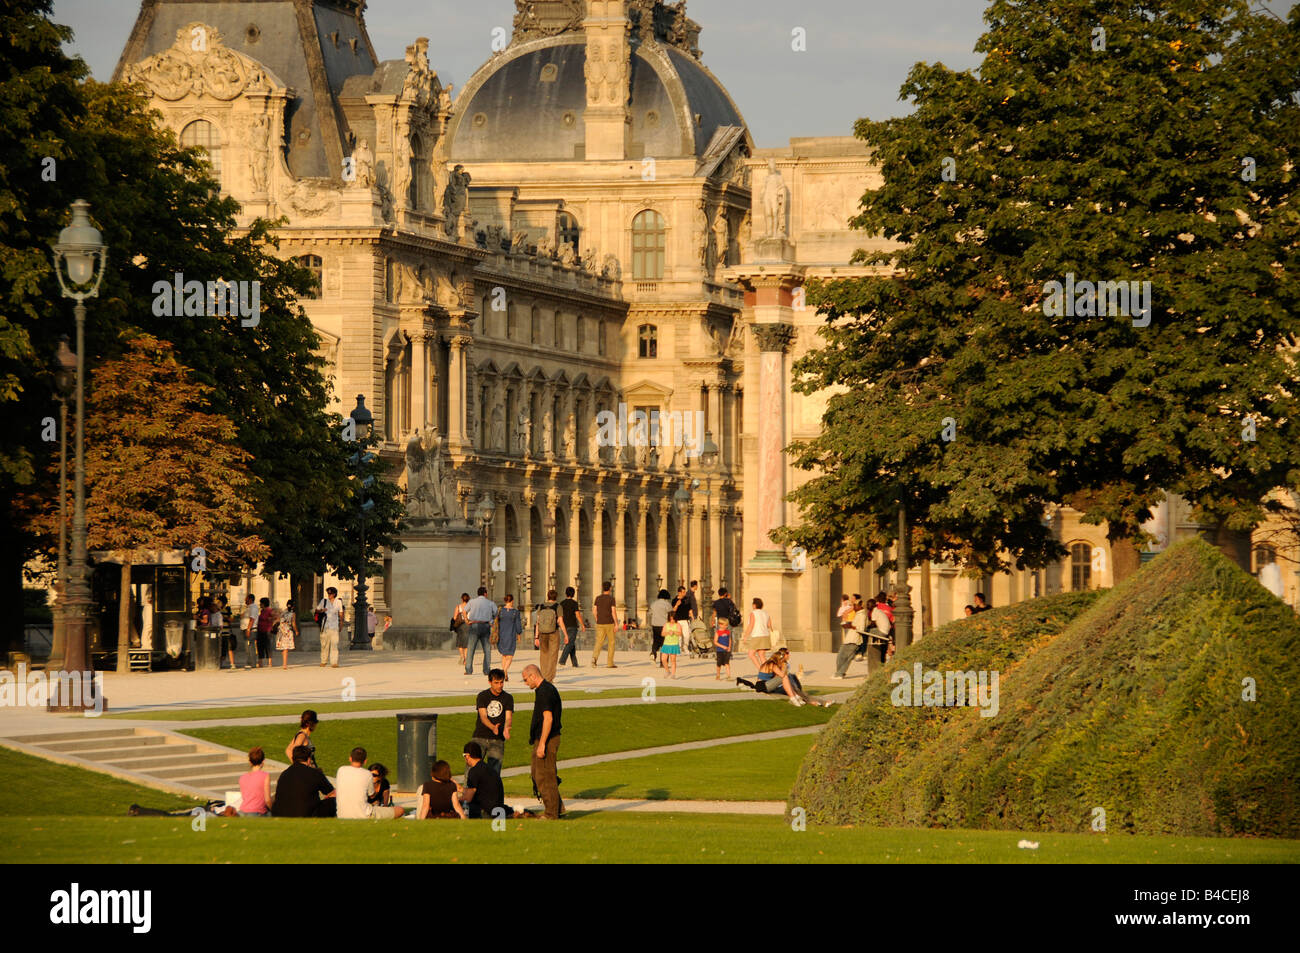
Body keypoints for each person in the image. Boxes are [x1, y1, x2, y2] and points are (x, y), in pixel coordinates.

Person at [521, 664, 563, 819]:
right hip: (542, 738)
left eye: (526, 680)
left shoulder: (545, 691)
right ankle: (557, 807)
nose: (526, 683)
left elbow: (548, 719)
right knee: (538, 773)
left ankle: (551, 813)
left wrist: (543, 744)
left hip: (548, 738)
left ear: (533, 676)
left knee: (545, 776)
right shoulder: (544, 689)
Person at [738, 648, 833, 708]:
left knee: (794, 686)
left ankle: (810, 700)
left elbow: (777, 678)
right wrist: (784, 667)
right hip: (763, 686)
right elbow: (782, 676)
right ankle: (794, 698)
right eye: (787, 654)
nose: (788, 656)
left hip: (769, 685)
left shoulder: (773, 664)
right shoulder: (772, 664)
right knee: (787, 678)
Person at [337, 746, 403, 819]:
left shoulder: (341, 770)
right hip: (364, 814)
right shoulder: (367, 774)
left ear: (350, 758)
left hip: (341, 814)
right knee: (400, 810)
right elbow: (372, 795)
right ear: (365, 761)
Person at [271, 745, 336, 817]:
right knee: (333, 801)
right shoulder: (314, 773)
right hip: (306, 814)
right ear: (308, 760)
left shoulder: (284, 774)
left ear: (293, 759)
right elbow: (331, 791)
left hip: (281, 814)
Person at [473, 668, 513, 775]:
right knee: (472, 771)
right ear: (490, 682)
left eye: (501, 682)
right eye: (496, 683)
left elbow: (508, 718)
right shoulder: (483, 696)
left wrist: (507, 728)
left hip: (497, 740)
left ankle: (491, 792)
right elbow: (483, 717)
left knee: (494, 774)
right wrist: (493, 727)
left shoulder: (508, 698)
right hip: (480, 737)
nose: (499, 685)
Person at [461, 741, 508, 819]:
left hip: (486, 812)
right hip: (498, 809)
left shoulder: (474, 771)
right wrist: (459, 788)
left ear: (468, 756)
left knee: (459, 804)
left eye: (464, 755)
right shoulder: (488, 769)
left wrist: (454, 800)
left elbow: (468, 798)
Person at [465, 586, 497, 676]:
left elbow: (464, 611)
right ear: (485, 593)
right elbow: (496, 612)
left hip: (474, 625)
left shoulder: (472, 602)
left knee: (471, 649)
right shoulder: (490, 603)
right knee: (487, 649)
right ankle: (486, 670)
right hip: (485, 625)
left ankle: (468, 669)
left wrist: (467, 620)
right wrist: (491, 620)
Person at [532, 590, 564, 681]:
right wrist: (566, 634)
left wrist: (536, 637)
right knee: (553, 656)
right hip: (554, 632)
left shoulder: (541, 606)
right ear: (556, 597)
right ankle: (549, 678)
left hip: (542, 633)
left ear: (548, 596)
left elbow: (538, 622)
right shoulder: (558, 606)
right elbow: (560, 621)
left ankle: (544, 676)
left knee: (544, 655)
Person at [833, 597, 867, 678]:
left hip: (854, 640)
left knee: (843, 657)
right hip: (850, 638)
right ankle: (840, 673)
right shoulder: (858, 614)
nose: (853, 607)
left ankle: (839, 674)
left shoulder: (862, 615)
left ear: (860, 606)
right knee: (843, 657)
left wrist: (851, 626)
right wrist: (849, 625)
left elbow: (861, 629)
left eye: (855, 605)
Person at [591, 580, 619, 668]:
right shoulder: (611, 599)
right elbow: (613, 611)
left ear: (602, 588)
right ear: (610, 588)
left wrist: (597, 619)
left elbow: (594, 610)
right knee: (611, 642)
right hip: (609, 623)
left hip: (600, 623)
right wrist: (616, 623)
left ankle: (594, 658)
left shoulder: (598, 598)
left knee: (599, 642)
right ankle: (610, 663)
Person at [238, 747, 272, 816]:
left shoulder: (242, 777)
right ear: (263, 761)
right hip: (257, 812)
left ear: (250, 762)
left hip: (242, 811)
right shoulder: (265, 776)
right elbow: (267, 800)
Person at [711, 586, 737, 680]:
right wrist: (729, 598)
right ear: (726, 593)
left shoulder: (716, 603)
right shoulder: (729, 601)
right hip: (728, 621)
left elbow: (714, 613)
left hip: (720, 621)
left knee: (719, 636)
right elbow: (734, 609)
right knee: (729, 637)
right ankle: (729, 652)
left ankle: (720, 652)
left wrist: (712, 621)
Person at [495, 594, 523, 677]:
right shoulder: (515, 612)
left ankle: (504, 671)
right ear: (512, 601)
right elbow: (518, 625)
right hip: (510, 635)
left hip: (501, 635)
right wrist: (519, 633)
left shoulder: (500, 611)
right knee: (510, 655)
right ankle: (504, 670)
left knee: (504, 655)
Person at [558, 586, 585, 668]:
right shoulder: (574, 603)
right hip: (572, 625)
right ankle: (562, 661)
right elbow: (577, 615)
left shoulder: (562, 603)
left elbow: (560, 616)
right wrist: (582, 624)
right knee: (569, 644)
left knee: (571, 644)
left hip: (564, 626)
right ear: (573, 594)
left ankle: (575, 663)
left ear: (566, 593)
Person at [317, 586, 344, 668]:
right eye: (328, 593)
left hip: (334, 625)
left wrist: (341, 624)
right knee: (324, 644)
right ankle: (323, 661)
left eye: (331, 593)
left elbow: (341, 613)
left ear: (334, 594)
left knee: (334, 644)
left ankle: (334, 662)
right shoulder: (324, 601)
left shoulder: (338, 602)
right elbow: (317, 610)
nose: (329, 595)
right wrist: (322, 610)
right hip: (325, 626)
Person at [744, 596, 773, 670]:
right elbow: (769, 625)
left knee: (751, 654)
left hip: (757, 635)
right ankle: (767, 670)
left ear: (754, 605)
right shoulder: (766, 613)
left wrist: (746, 636)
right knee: (761, 655)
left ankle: (761, 669)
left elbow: (751, 625)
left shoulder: (753, 613)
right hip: (765, 635)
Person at [647, 588, 672, 662]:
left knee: (656, 641)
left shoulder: (653, 604)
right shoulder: (667, 604)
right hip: (664, 625)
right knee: (665, 644)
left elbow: (649, 613)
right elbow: (671, 614)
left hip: (655, 625)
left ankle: (653, 653)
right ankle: (663, 662)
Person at [214, 595, 237, 671]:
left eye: (219, 602)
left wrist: (224, 617)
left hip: (226, 632)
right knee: (221, 650)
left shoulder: (226, 610)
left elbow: (231, 619)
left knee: (229, 648)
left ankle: (232, 663)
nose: (217, 603)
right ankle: (219, 664)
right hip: (220, 633)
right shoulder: (216, 610)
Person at [275, 599, 298, 669]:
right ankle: (284, 664)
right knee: (286, 648)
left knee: (283, 648)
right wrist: (296, 631)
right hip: (287, 631)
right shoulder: (293, 614)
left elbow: (278, 620)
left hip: (281, 631)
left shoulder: (282, 612)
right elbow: (293, 623)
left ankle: (284, 663)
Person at [256, 597, 276, 667]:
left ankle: (270, 662)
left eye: (261, 603)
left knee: (267, 646)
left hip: (267, 630)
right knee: (260, 646)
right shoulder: (262, 611)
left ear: (264, 604)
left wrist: (270, 620)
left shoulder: (269, 610)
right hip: (260, 630)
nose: (260, 604)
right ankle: (260, 662)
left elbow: (275, 617)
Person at [452, 592, 471, 667]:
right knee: (466, 643)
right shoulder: (470, 607)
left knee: (460, 642)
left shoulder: (458, 607)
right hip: (468, 625)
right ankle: (466, 659)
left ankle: (462, 656)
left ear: (461, 599)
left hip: (460, 626)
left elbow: (455, 617)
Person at [240, 593, 258, 669]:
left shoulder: (253, 607)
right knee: (247, 646)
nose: (245, 600)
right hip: (245, 629)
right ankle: (249, 661)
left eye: (246, 599)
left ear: (250, 599)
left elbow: (252, 618)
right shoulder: (248, 607)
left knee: (250, 646)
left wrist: (248, 629)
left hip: (250, 629)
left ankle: (252, 663)